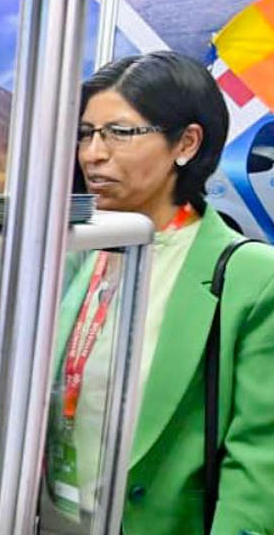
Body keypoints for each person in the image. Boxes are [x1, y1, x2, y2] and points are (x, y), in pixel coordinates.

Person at [44, 51, 274, 534]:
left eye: (120, 133)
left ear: (186, 142)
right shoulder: (78, 255)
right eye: (86, 133)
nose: (93, 153)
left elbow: (259, 460)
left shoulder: (250, 276)